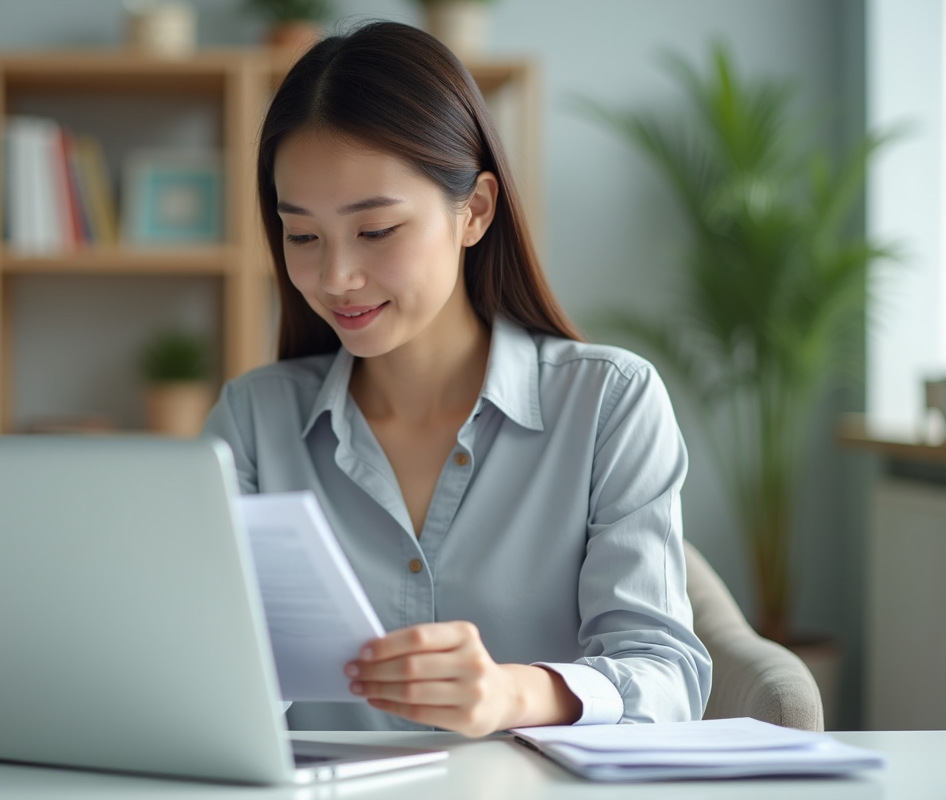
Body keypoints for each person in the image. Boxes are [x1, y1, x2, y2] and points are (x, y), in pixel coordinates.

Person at [203, 21, 711, 736]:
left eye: (376, 231)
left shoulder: (608, 404)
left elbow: (667, 675)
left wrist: (515, 694)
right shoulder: (252, 422)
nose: (335, 277)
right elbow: (214, 678)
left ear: (473, 211)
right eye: (302, 236)